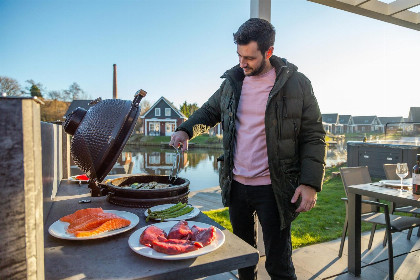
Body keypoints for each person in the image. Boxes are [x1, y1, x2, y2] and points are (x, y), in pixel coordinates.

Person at [169, 18, 326, 280]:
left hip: (273, 188)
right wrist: (185, 129)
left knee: (279, 264)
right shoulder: (232, 82)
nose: (243, 63)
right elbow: (209, 111)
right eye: (240, 56)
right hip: (236, 186)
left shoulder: (297, 84)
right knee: (242, 257)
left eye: (250, 58)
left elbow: (314, 135)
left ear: (269, 52)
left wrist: (310, 183)